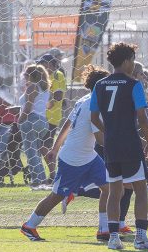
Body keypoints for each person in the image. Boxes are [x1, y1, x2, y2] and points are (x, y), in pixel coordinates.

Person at [20, 65, 109, 241]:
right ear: (101, 86)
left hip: (88, 156)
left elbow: (67, 124)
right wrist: (121, 144)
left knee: (110, 188)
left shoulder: (84, 99)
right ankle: (29, 226)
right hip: (73, 159)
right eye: (108, 84)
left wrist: (55, 148)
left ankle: (103, 230)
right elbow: (100, 140)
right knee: (56, 196)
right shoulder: (93, 104)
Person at [90, 42, 148, 250]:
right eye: (133, 61)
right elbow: (142, 117)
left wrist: (109, 131)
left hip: (111, 145)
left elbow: (94, 118)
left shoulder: (99, 85)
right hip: (130, 143)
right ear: (127, 61)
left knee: (114, 190)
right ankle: (141, 237)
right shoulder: (133, 84)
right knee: (141, 189)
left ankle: (113, 238)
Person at [18, 64, 51, 187]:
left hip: (31, 120)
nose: (24, 77)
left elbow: (28, 107)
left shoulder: (32, 87)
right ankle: (42, 178)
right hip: (42, 121)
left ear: (30, 75)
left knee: (30, 152)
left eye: (26, 75)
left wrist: (20, 120)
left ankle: (38, 180)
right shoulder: (44, 89)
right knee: (36, 152)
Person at [37, 53, 67, 182]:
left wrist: (46, 106)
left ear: (49, 64)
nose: (40, 66)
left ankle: (53, 174)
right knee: (41, 146)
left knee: (44, 146)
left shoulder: (57, 75)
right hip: (42, 116)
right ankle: (49, 173)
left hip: (51, 118)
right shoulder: (45, 76)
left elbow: (58, 96)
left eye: (42, 63)